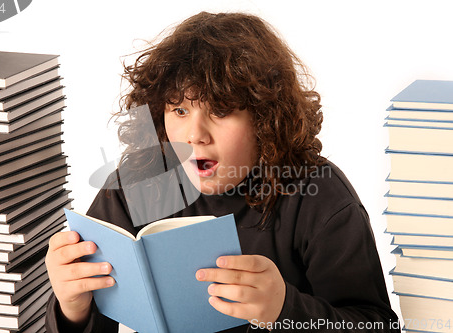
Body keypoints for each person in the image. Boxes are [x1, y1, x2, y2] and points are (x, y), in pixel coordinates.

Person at [45, 11, 401, 332]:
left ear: (265, 119)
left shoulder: (319, 197)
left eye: (221, 110)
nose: (195, 135)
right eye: (180, 111)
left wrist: (285, 310)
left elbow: (377, 325)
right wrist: (72, 309)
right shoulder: (139, 184)